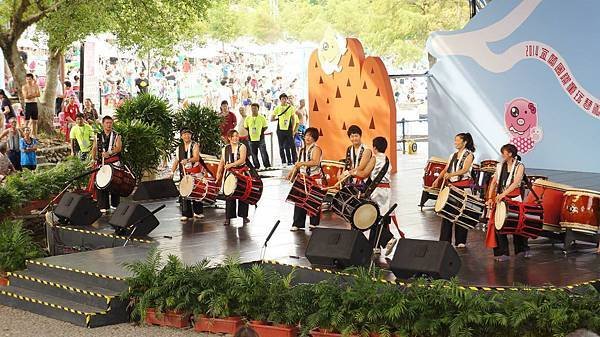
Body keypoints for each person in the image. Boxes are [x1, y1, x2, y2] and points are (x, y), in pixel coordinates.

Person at [356, 137, 401, 256]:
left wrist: (352, 172)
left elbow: (364, 173)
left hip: (377, 191)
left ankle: (388, 238)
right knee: (379, 217)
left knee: (372, 217)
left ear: (374, 147)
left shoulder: (374, 158)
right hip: (386, 191)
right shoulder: (386, 159)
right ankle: (374, 246)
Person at [485, 144, 530, 261]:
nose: (502, 155)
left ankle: (522, 249)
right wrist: (490, 197)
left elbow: (516, 183)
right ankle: (502, 252)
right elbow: (494, 182)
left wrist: (502, 195)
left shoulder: (519, 166)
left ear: (510, 154)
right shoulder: (500, 166)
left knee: (517, 225)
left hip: (514, 198)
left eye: (503, 152)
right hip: (501, 199)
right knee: (498, 225)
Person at [432, 133, 476, 248]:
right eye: (455, 140)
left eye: (457, 140)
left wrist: (451, 174)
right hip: (452, 186)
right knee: (447, 213)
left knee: (461, 214)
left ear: (464, 142)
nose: (455, 142)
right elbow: (446, 169)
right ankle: (444, 240)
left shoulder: (469, 155)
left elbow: (465, 169)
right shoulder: (453, 155)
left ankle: (460, 241)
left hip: (463, 187)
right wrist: (438, 179)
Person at [288, 127, 322, 231]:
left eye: (310, 136)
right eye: (307, 135)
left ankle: (313, 223)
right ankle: (298, 223)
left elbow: (315, 162)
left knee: (313, 201)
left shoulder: (316, 149)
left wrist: (302, 163)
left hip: (313, 178)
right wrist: (291, 173)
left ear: (314, 138)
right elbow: (298, 164)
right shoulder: (302, 150)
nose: (308, 138)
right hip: (302, 178)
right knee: (299, 200)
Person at [216, 129, 251, 226]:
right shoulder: (225, 148)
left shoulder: (242, 146)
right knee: (229, 195)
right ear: (229, 138)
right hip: (229, 174)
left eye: (236, 136)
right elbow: (222, 162)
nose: (235, 138)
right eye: (233, 136)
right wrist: (218, 173)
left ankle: (244, 216)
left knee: (243, 195)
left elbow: (242, 159)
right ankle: (228, 217)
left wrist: (231, 165)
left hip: (241, 172)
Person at [170, 128, 204, 221]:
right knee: (185, 192)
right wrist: (172, 172)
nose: (186, 136)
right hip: (184, 172)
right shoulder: (179, 148)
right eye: (184, 134)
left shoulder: (194, 145)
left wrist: (187, 160)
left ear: (191, 135)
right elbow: (176, 161)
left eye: (188, 134)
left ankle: (198, 212)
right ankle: (186, 213)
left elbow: (196, 158)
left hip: (195, 172)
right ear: (181, 136)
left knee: (197, 191)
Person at [91, 116, 123, 213]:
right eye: (107, 123)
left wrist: (109, 153)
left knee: (115, 183)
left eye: (110, 123)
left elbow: (118, 148)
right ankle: (103, 205)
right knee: (101, 183)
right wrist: (93, 159)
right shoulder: (98, 136)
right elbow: (94, 148)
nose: (109, 125)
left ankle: (115, 204)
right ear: (103, 124)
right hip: (102, 163)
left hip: (114, 162)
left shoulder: (117, 135)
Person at [271, 93, 296, 166]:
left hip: (289, 129)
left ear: (287, 99)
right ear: (280, 100)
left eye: (285, 98)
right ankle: (283, 161)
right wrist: (278, 118)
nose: (284, 100)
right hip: (280, 130)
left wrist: (293, 129)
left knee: (292, 146)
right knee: (281, 146)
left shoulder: (290, 108)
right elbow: (271, 118)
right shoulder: (277, 108)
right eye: (282, 99)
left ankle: (294, 160)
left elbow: (293, 119)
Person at [244, 103, 271, 169]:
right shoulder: (248, 118)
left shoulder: (262, 118)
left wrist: (260, 132)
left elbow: (265, 127)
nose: (254, 110)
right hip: (251, 139)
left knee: (263, 153)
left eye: (255, 108)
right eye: (252, 108)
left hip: (260, 138)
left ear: (258, 109)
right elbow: (246, 127)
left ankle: (267, 165)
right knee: (253, 154)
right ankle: (256, 166)